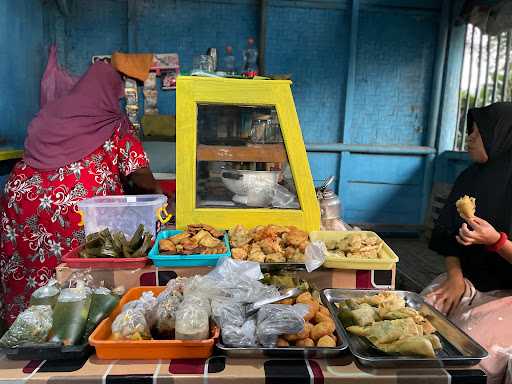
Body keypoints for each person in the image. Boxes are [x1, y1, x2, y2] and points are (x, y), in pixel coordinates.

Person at [0, 62, 161, 326]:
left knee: (31, 271)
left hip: (22, 199)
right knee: (80, 276)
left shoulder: (51, 114)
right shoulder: (114, 123)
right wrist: (160, 197)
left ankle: (27, 328)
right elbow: (141, 178)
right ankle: (80, 327)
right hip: (78, 207)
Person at [425, 102, 512, 384]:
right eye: (471, 130)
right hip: (469, 280)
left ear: (502, 136)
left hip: (507, 295)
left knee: (469, 351)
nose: (470, 138)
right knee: (418, 320)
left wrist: (496, 241)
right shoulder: (470, 177)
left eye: (479, 132)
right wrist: (455, 277)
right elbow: (448, 238)